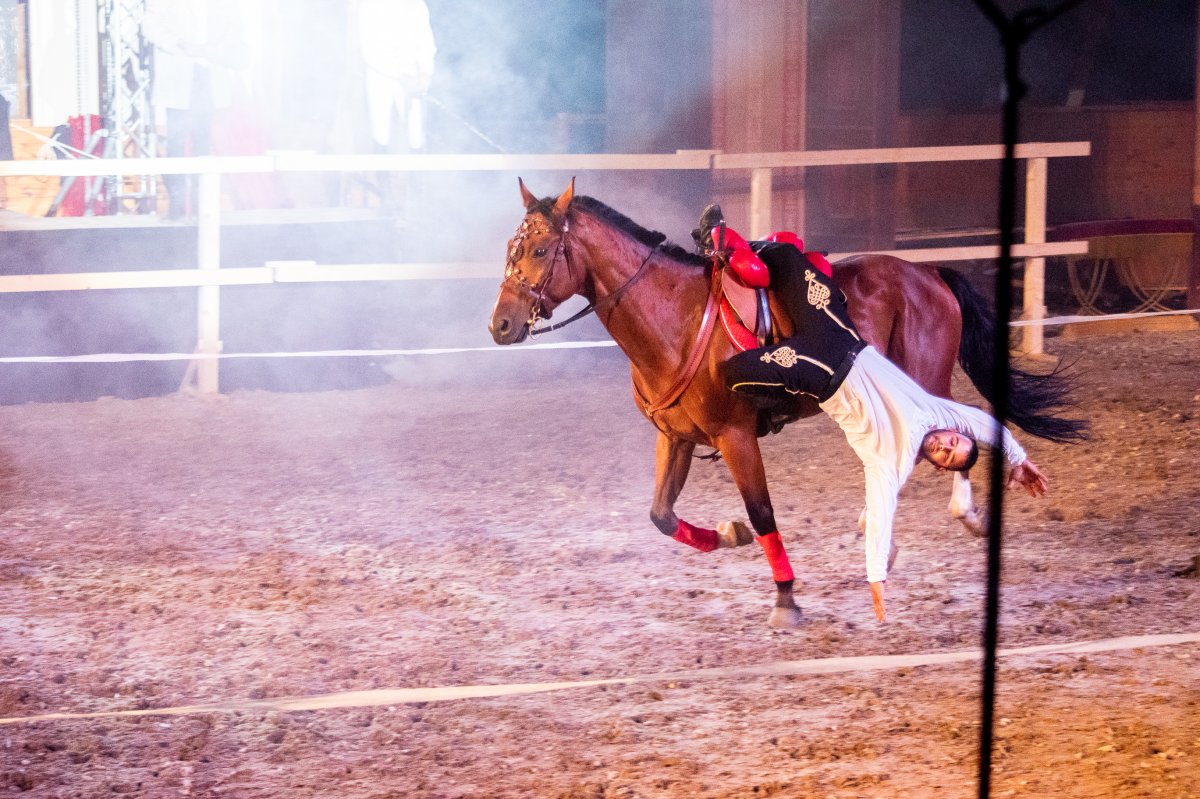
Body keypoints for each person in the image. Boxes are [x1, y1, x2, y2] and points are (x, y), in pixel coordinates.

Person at [699, 211, 1049, 622]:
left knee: (731, 373)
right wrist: (1017, 458)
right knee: (785, 254)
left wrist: (876, 580)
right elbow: (987, 426)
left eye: (948, 455)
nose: (947, 445)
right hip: (839, 335)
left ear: (937, 466)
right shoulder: (934, 411)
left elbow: (880, 516)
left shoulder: (892, 465)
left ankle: (765, 415)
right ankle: (715, 239)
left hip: (819, 372)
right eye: (955, 441)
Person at [143, 0, 250, 218]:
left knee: (204, 141)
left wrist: (214, 49)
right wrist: (178, 44)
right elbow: (149, 25)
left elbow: (235, 28)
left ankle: (204, 206)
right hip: (179, 71)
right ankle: (177, 205)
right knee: (175, 142)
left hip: (209, 73)